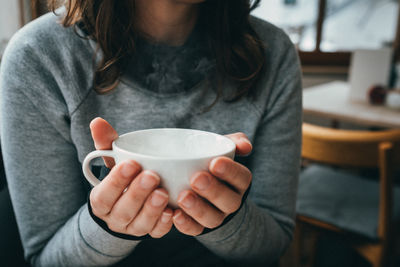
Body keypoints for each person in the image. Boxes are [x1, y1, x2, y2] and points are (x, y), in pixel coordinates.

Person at [0, 0, 302, 266]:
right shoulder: (39, 56)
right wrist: (107, 227)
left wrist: (228, 220)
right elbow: (46, 259)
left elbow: (273, 244)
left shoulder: (271, 52)